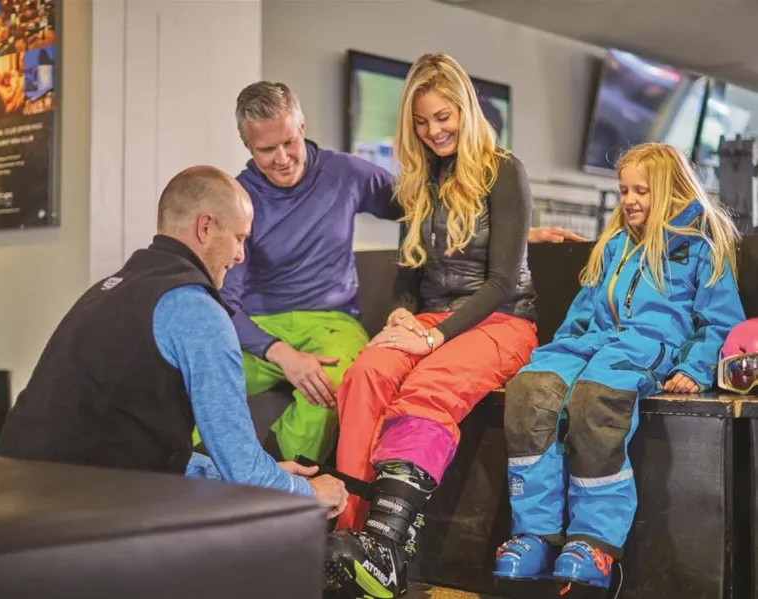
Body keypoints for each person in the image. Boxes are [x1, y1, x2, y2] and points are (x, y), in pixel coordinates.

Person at [214, 80, 587, 466]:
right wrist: (281, 353)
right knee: (203, 374)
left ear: (302, 126)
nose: (282, 158)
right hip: (261, 325)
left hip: (331, 322)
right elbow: (225, 301)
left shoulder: (345, 172)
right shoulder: (238, 200)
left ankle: (284, 482)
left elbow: (426, 210)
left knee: (334, 381)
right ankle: (204, 470)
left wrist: (509, 231)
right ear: (248, 146)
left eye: (289, 142)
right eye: (266, 150)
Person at [0, 165, 347, 516]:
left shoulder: (108, 290)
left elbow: (136, 446)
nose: (240, 255)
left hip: (13, 497)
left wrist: (256, 475)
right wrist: (309, 490)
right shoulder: (195, 307)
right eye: (239, 239)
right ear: (205, 227)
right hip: (67, 515)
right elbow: (246, 471)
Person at [323, 53, 540, 598]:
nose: (433, 131)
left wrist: (432, 336)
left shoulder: (504, 169)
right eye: (421, 122)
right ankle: (349, 539)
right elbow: (408, 273)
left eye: (443, 117)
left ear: (465, 110)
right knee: (365, 373)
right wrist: (401, 314)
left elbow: (503, 281)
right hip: (431, 319)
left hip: (500, 320)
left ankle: (385, 545)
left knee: (428, 387)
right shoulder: (420, 179)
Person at [493, 142, 745, 590]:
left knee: (597, 399)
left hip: (649, 349)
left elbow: (721, 323)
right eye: (624, 190)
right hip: (597, 343)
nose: (629, 200)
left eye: (641, 191)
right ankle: (535, 533)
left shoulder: (700, 246)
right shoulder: (615, 244)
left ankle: (594, 543)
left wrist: (696, 367)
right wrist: (560, 354)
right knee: (530, 389)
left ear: (669, 191)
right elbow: (583, 311)